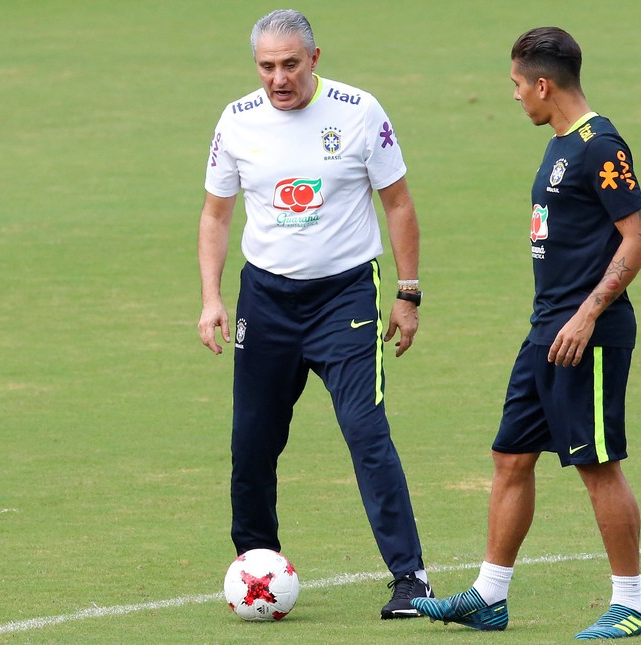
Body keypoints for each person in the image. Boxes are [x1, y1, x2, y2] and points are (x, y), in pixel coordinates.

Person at [412, 27, 641, 639]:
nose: (516, 95)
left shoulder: (601, 145)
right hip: (546, 329)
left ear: (543, 84)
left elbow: (640, 238)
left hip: (586, 334)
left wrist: (588, 313)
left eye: (518, 84)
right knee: (511, 455)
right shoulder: (559, 143)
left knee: (598, 465)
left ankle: (630, 605)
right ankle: (490, 596)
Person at [196, 9, 433, 619]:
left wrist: (407, 293)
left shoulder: (359, 112)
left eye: (290, 65)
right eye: (267, 66)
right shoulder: (237, 120)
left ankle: (410, 577)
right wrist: (211, 298)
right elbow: (216, 215)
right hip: (265, 302)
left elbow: (398, 203)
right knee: (252, 440)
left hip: (345, 298)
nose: (279, 79)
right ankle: (255, 565)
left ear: (315, 58)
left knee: (364, 431)